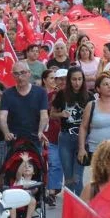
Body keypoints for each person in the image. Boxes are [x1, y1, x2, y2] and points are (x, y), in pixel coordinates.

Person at [52, 67, 90, 196]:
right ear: (69, 80)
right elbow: (52, 114)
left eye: (79, 79)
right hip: (65, 138)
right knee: (68, 177)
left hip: (82, 139)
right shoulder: (61, 94)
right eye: (74, 79)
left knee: (77, 177)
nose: (77, 82)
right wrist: (60, 114)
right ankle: (69, 205)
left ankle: (80, 204)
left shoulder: (89, 96)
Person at [0, 61, 49, 148]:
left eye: (23, 73)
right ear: (12, 75)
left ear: (29, 73)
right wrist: (6, 133)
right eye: (16, 74)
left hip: (34, 138)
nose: (20, 77)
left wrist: (40, 131)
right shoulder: (7, 94)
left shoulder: (41, 92)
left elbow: (44, 116)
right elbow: (2, 117)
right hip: (14, 139)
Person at [43, 69, 62, 205]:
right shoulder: (49, 97)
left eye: (64, 79)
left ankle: (58, 187)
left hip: (70, 137)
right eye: (58, 79)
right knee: (54, 163)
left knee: (64, 166)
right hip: (52, 135)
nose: (61, 82)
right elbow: (43, 115)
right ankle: (51, 192)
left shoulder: (75, 96)